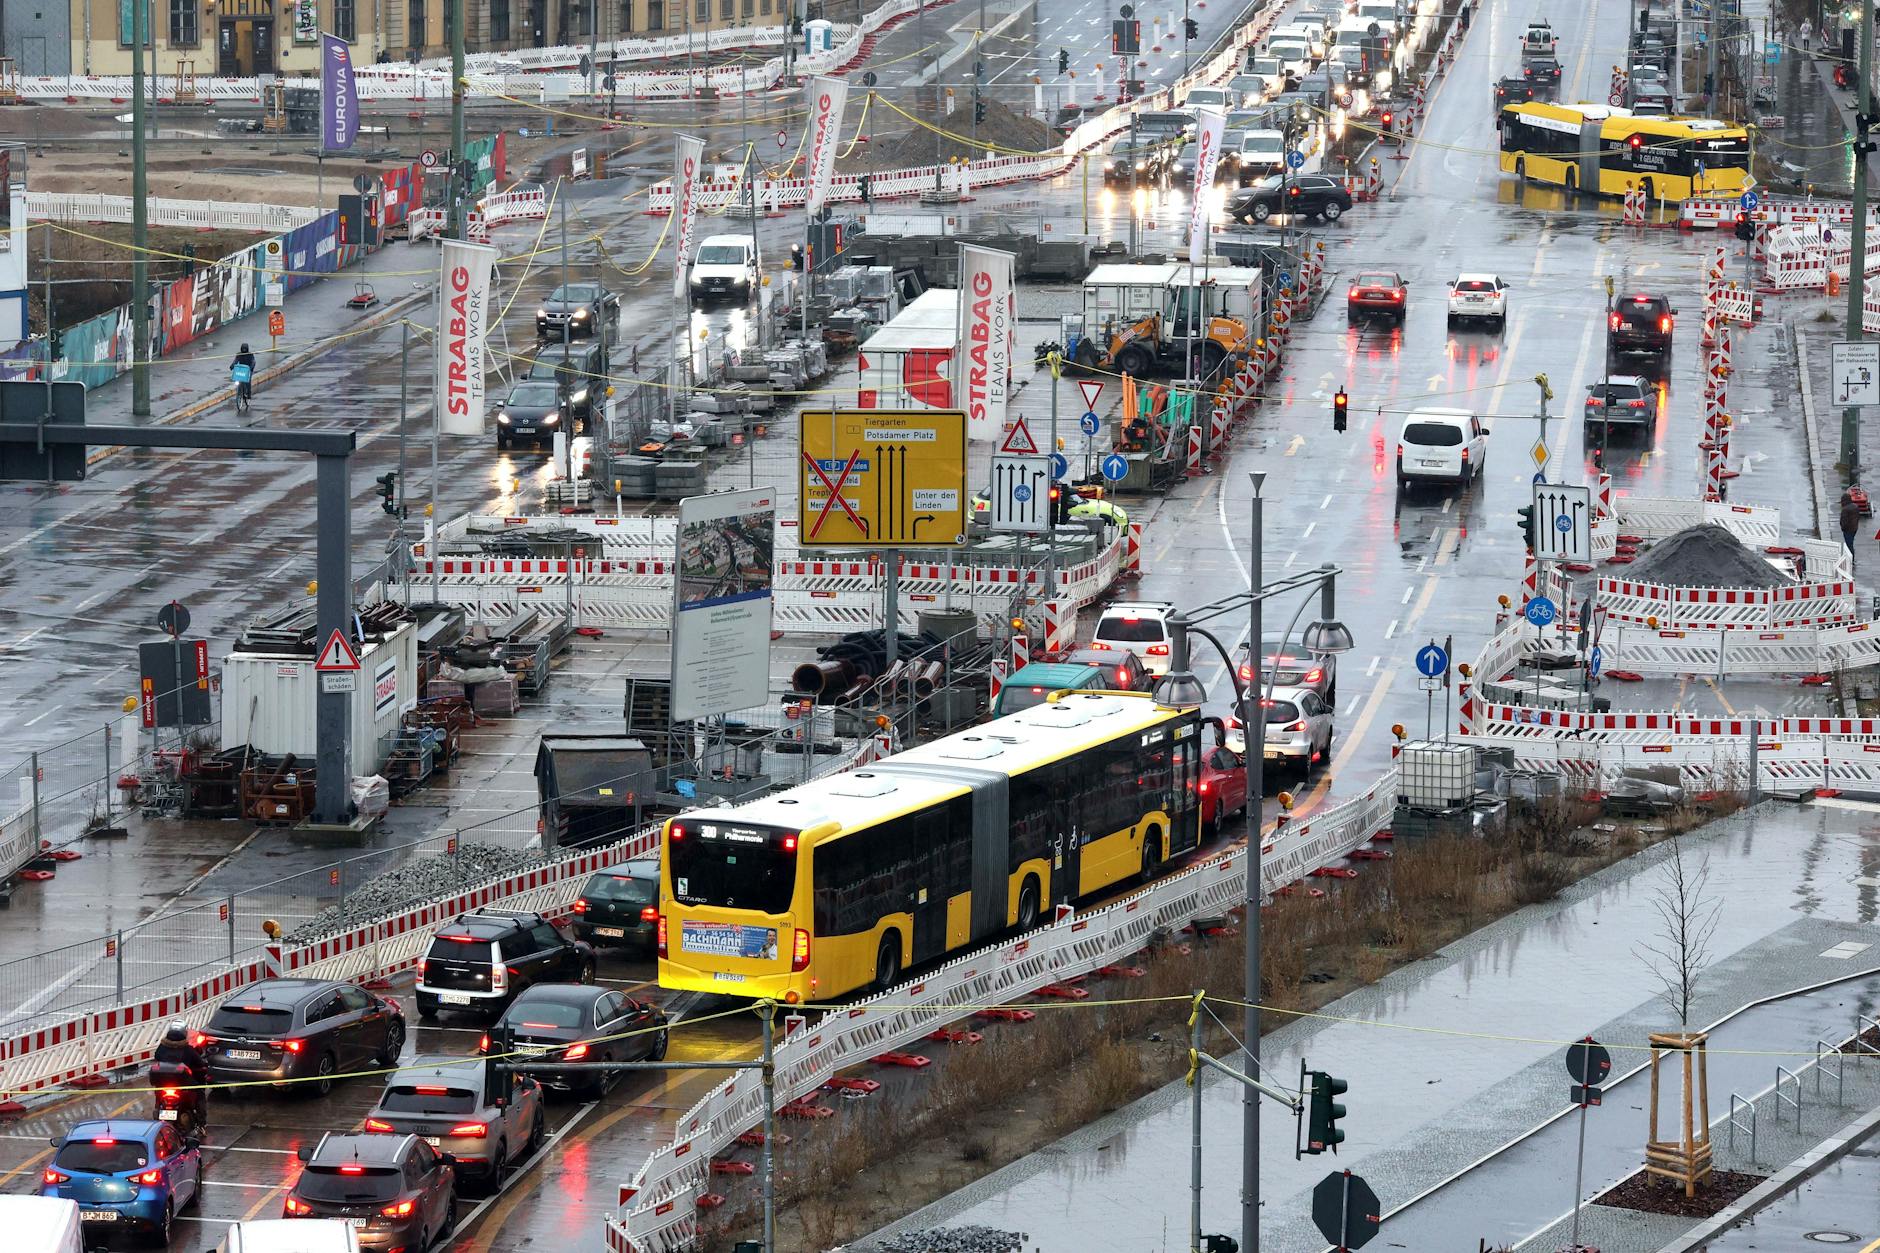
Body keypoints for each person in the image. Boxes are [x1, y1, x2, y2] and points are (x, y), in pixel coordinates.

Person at [152, 1020, 210, 1119]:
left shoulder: (162, 1047)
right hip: (183, 1083)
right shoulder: (187, 1049)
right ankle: (201, 1120)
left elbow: (157, 1056)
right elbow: (199, 1063)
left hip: (163, 1082)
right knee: (199, 1093)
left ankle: (158, 1108)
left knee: (158, 1094)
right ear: (184, 1033)